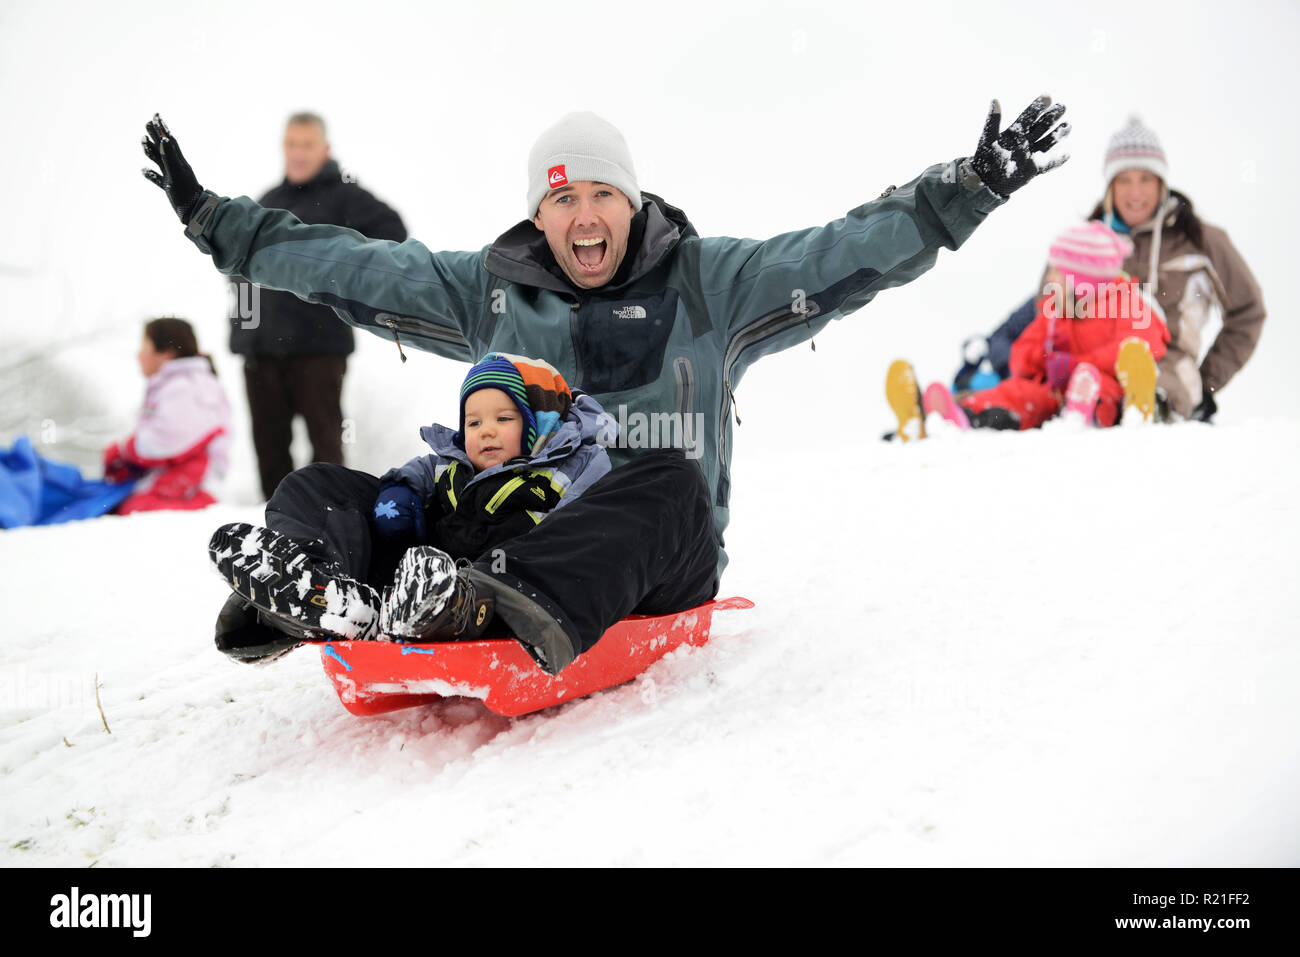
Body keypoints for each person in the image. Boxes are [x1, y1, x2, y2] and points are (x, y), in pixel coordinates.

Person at [141, 97, 1071, 673]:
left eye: (600, 195)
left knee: (663, 476)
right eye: (561, 198)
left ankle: (480, 598)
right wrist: (223, 224)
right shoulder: (492, 292)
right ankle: (317, 589)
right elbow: (360, 269)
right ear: (539, 214)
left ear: (632, 201)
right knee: (325, 486)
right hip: (498, 540)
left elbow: (839, 252)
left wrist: (963, 193)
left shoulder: (713, 283)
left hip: (656, 563)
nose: (583, 216)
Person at [208, 353, 615, 661]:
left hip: (488, 598)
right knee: (315, 482)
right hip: (405, 583)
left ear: (540, 423)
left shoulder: (574, 467)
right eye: (472, 423)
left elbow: (590, 529)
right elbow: (415, 472)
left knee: (458, 569)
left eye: (503, 418)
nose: (485, 431)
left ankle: (291, 611)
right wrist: (397, 493)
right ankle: (325, 585)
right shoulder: (449, 463)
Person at [953, 116, 1265, 422]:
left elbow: (1248, 312)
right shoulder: (1082, 244)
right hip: (1080, 368)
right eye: (1124, 180)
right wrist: (1019, 356)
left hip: (1166, 372)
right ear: (1110, 185)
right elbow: (1046, 310)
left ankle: (1142, 408)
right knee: (1031, 394)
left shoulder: (1201, 241)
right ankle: (964, 413)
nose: (1135, 193)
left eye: (1145, 179)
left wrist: (1207, 381)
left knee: (1142, 393)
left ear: (1162, 183)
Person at [231, 113, 408, 500]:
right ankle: (274, 521)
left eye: (307, 144)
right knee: (268, 447)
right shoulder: (267, 203)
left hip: (319, 346)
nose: (298, 153)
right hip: (260, 349)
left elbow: (394, 234)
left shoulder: (347, 197)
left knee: (325, 445)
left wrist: (345, 279)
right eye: (291, 144)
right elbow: (237, 269)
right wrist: (243, 331)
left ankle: (330, 519)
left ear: (325, 149)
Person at [954, 222, 1170, 430]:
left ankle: (1090, 415)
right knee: (1021, 391)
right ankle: (968, 412)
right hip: (1055, 392)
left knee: (1098, 386)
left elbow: (1139, 348)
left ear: (1081, 278)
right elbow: (1020, 357)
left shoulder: (1128, 303)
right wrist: (1046, 357)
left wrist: (1077, 365)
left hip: (1107, 387)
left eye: (1056, 272)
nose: (1049, 278)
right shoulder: (1054, 311)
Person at [103, 317, 231, 513]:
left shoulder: (186, 386)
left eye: (144, 346)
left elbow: (166, 440)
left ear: (166, 354)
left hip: (191, 485)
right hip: (181, 479)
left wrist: (124, 451)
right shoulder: (179, 384)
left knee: (131, 510)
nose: (138, 355)